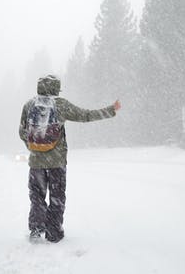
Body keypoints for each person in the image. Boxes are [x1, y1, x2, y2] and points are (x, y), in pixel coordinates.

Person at [19, 75, 121, 243]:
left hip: (36, 163)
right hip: (57, 162)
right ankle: (54, 233)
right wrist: (111, 109)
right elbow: (85, 115)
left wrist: (33, 148)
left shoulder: (29, 105)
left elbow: (22, 131)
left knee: (37, 196)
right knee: (57, 197)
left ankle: (36, 229)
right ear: (55, 88)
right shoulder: (61, 104)